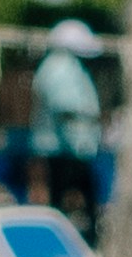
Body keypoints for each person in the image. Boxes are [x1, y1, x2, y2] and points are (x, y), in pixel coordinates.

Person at [30, 17, 106, 226]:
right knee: (67, 196)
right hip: (64, 148)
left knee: (82, 197)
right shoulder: (60, 67)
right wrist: (95, 119)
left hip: (74, 147)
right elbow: (63, 107)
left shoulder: (69, 67)